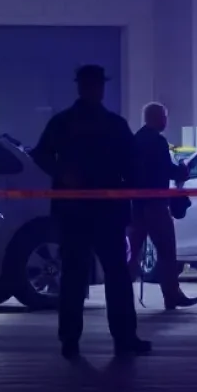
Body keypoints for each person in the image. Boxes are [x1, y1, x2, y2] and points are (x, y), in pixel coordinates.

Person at [32, 65, 150, 359]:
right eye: (93, 85)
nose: (94, 90)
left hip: (81, 210)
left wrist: (62, 174)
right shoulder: (109, 124)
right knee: (105, 274)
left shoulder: (68, 123)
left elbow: (41, 155)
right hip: (101, 211)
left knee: (79, 274)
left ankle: (74, 340)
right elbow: (133, 167)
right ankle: (119, 337)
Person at [129, 102, 197, 311]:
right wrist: (182, 171)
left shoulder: (136, 139)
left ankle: (120, 294)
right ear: (157, 118)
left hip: (136, 205)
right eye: (164, 116)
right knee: (167, 251)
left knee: (132, 252)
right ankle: (171, 295)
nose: (166, 121)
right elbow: (165, 170)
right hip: (156, 205)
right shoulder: (157, 142)